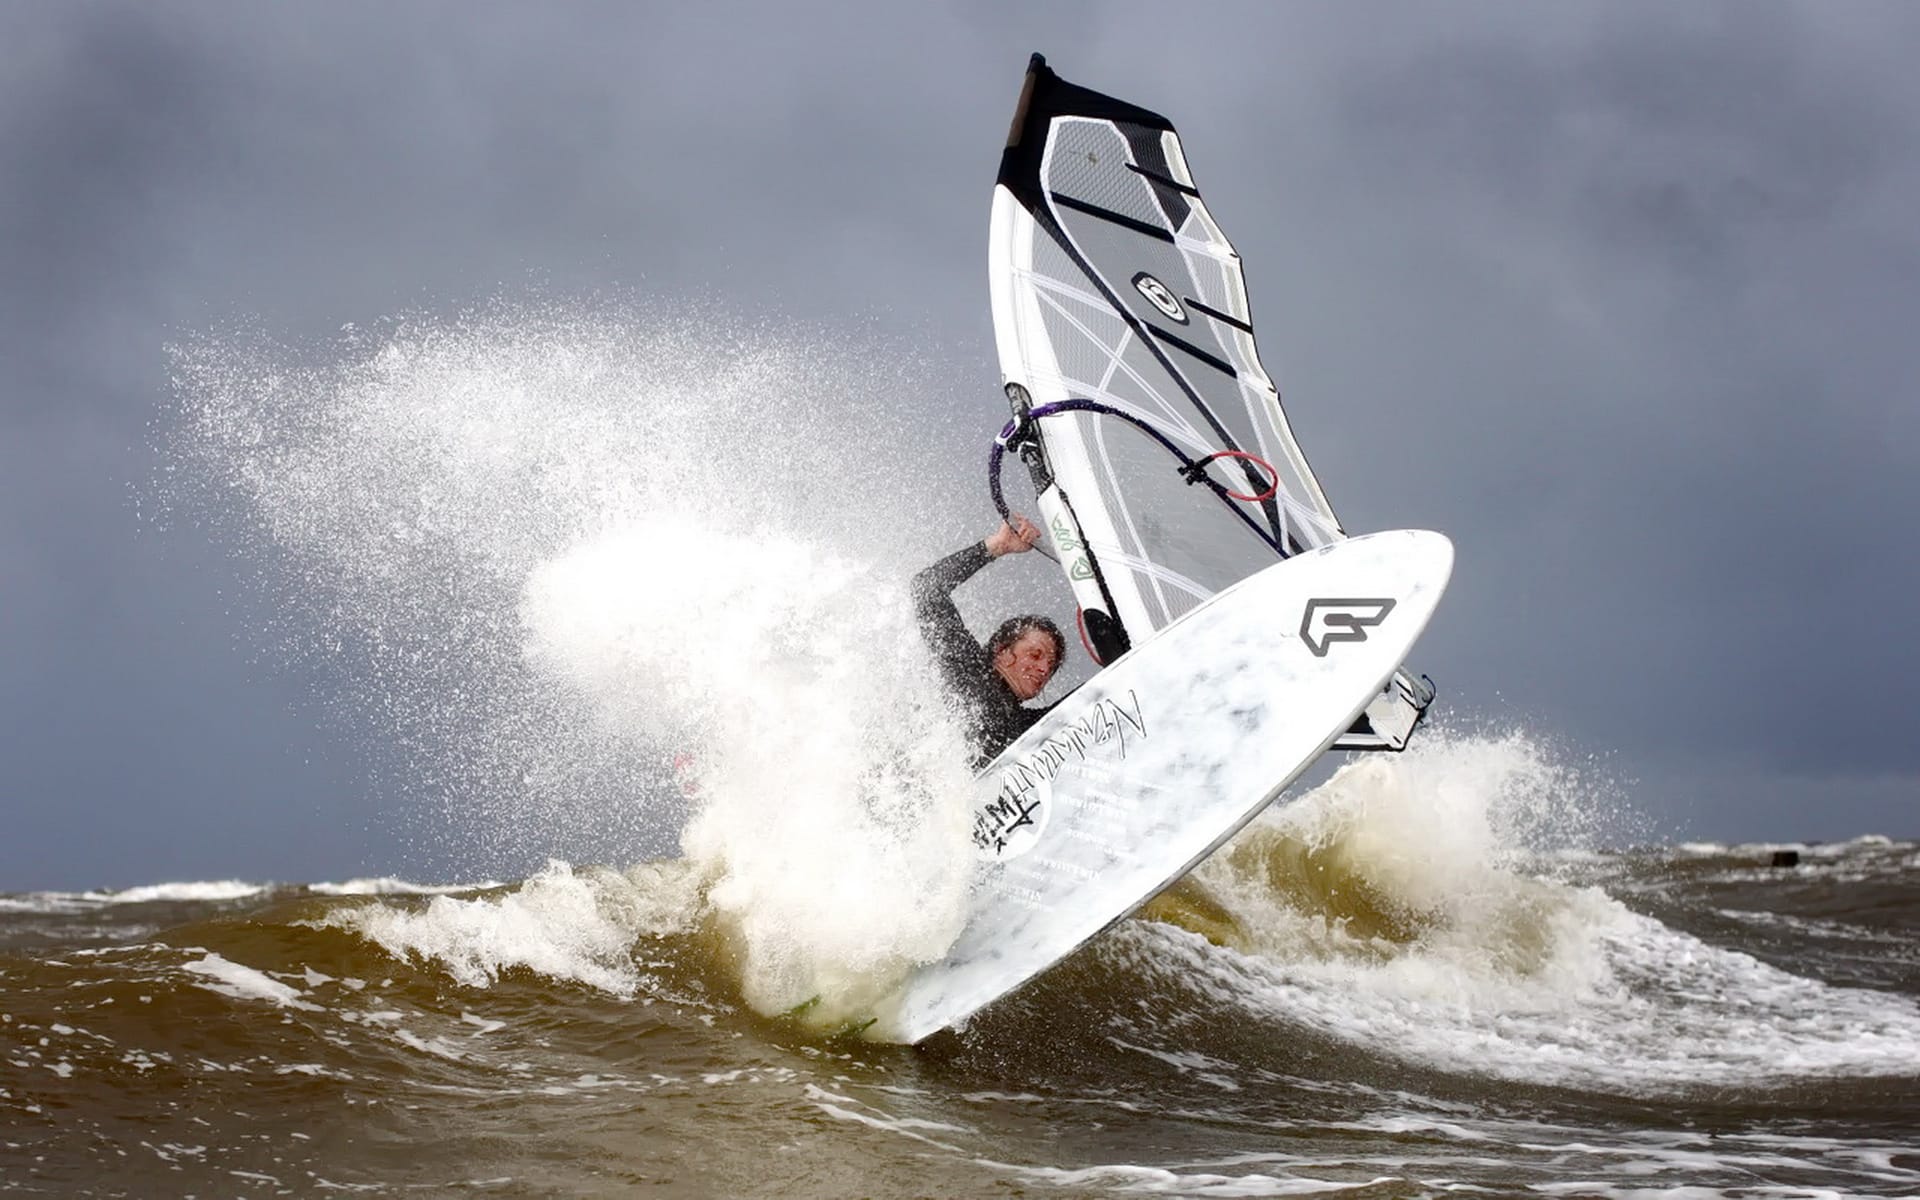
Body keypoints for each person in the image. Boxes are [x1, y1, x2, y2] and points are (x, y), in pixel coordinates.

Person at [912, 514, 1068, 765]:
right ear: (1003, 652)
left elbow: (1103, 695)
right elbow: (927, 589)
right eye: (1036, 655)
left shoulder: (1029, 729)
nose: (1044, 669)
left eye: (1051, 666)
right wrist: (995, 547)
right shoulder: (966, 668)